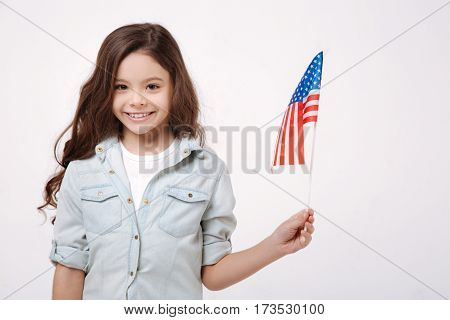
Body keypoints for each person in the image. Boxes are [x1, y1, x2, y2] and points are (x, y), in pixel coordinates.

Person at [38, 23, 315, 300]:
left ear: (175, 87)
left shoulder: (207, 170)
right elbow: (70, 267)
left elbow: (213, 274)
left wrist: (274, 246)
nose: (137, 100)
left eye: (152, 86)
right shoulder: (83, 170)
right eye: (121, 87)